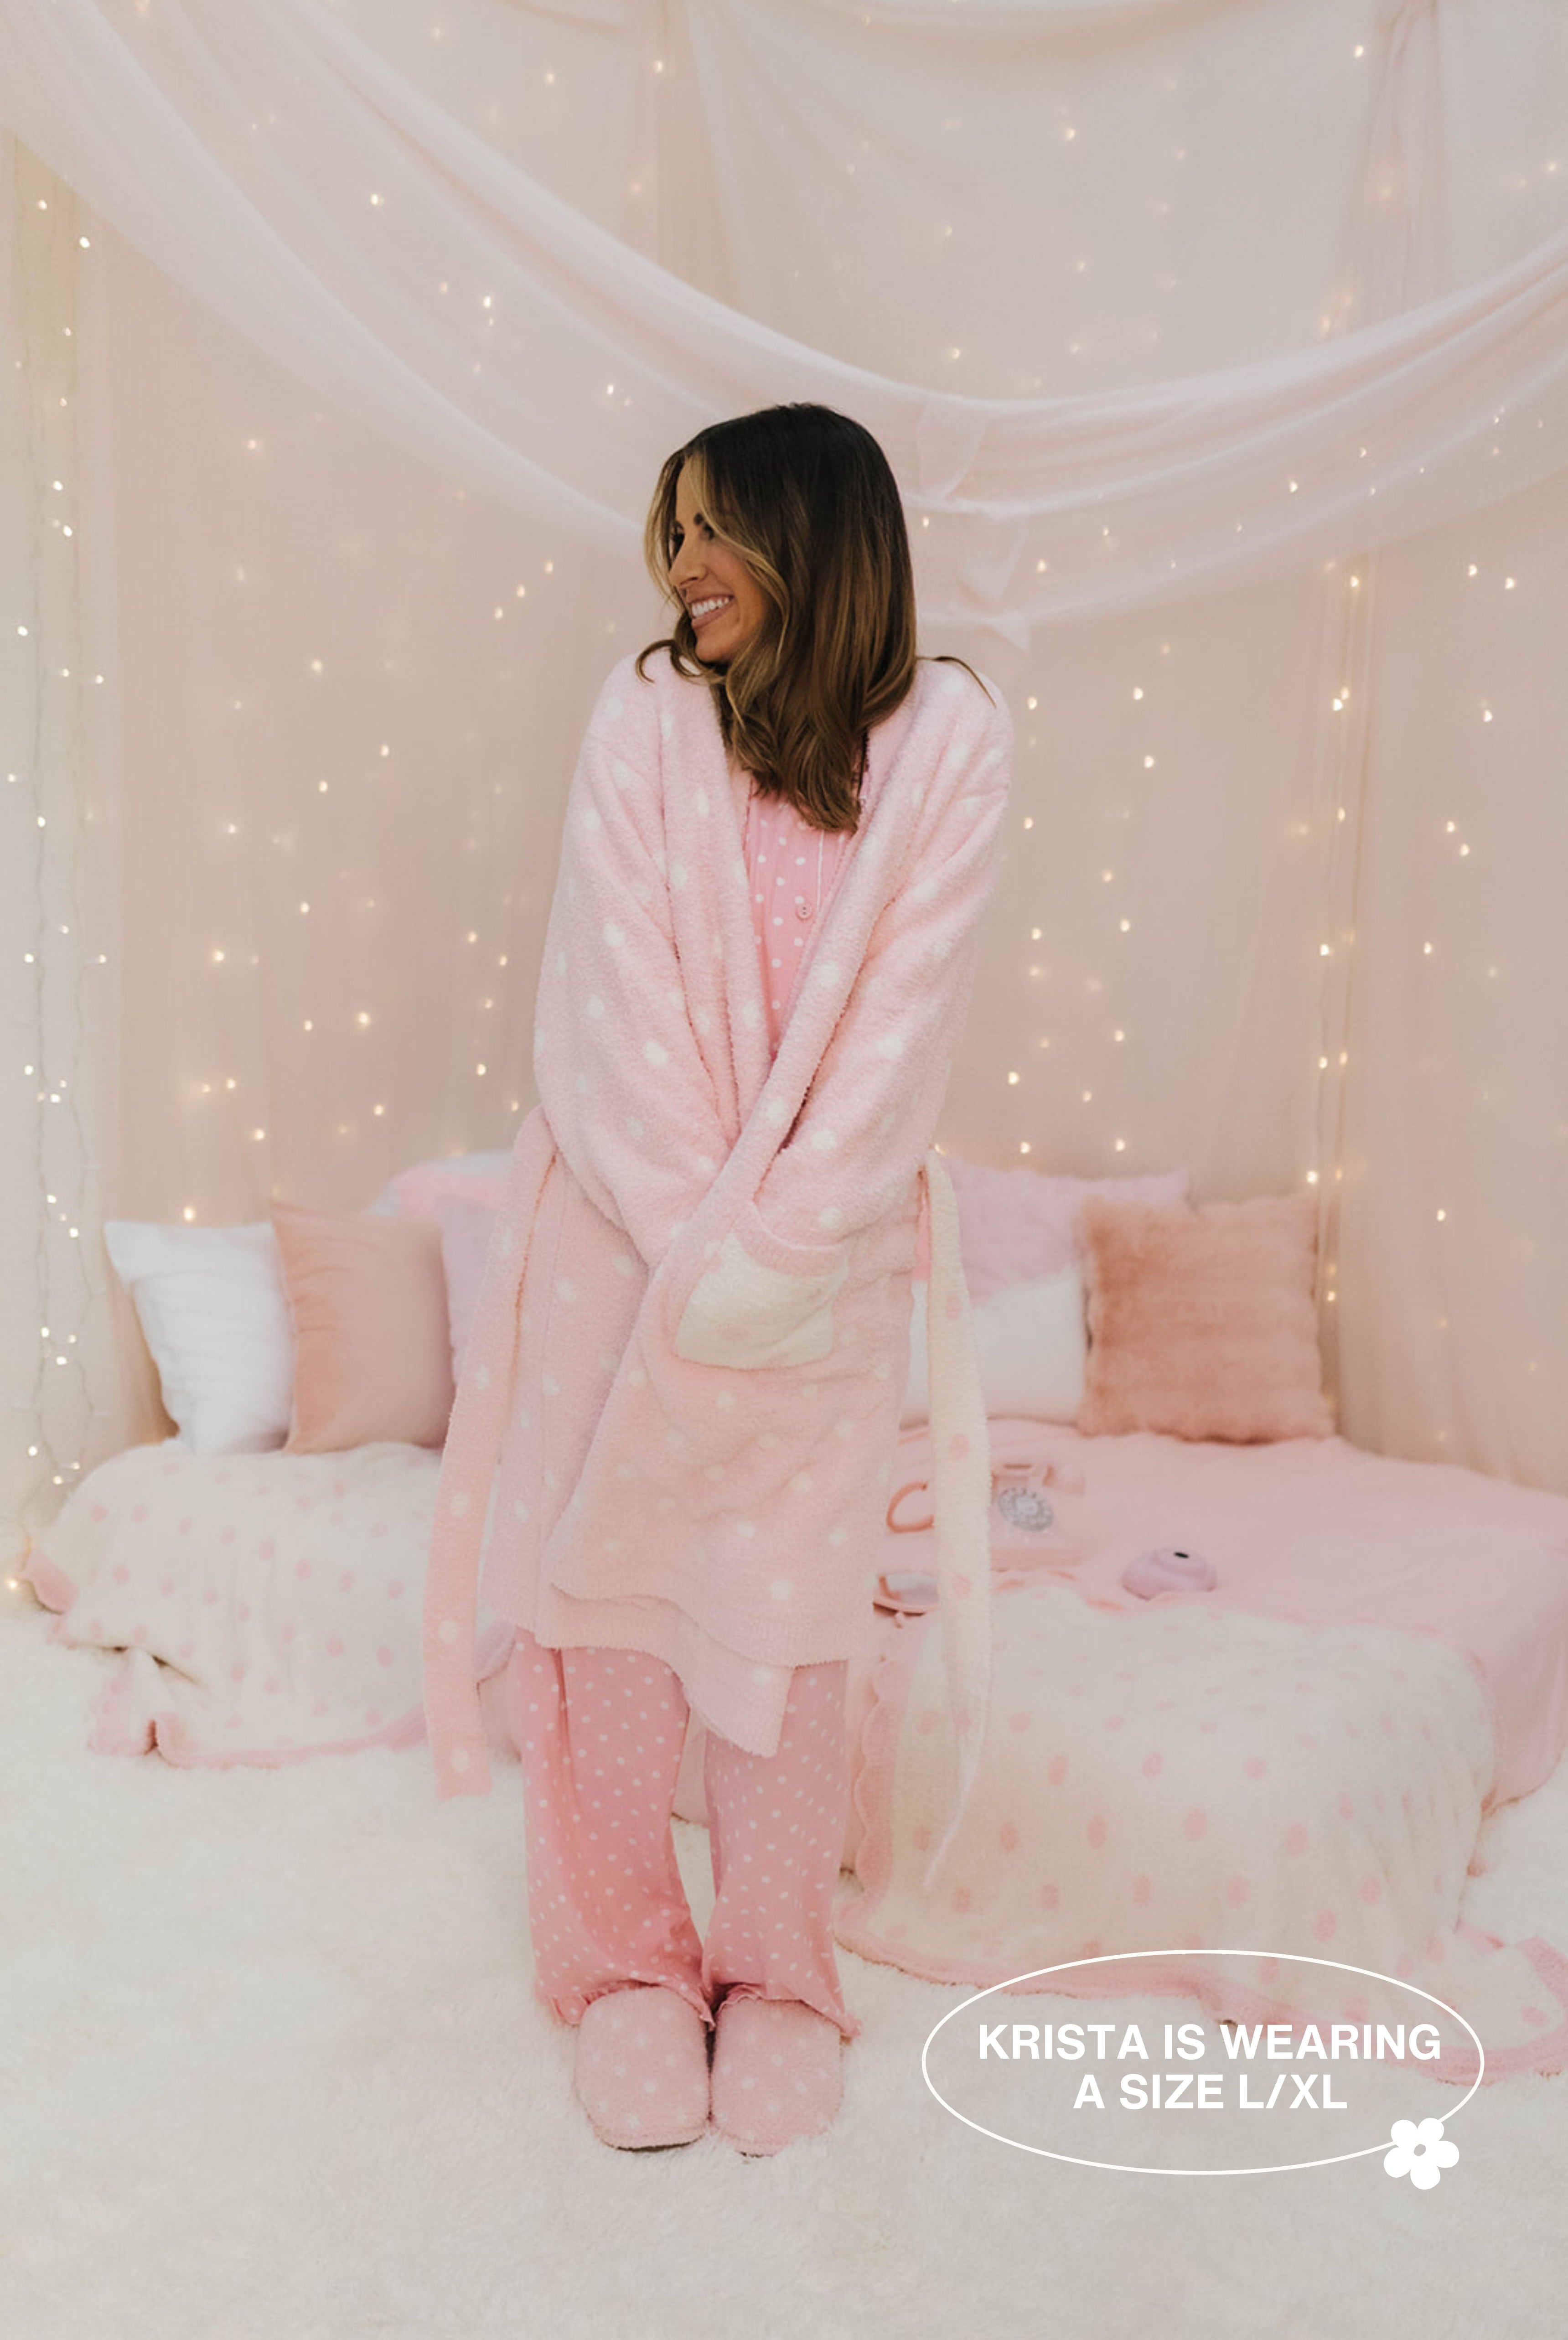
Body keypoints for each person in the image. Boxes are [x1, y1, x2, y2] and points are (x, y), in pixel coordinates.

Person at [423, 402, 1014, 2156]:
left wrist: (786, 1248)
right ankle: (619, 1969)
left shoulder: (950, 738)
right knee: (604, 1614)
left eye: (711, 532)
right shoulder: (647, 716)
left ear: (810, 535)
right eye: (667, 534)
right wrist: (702, 1245)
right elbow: (608, 994)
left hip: (822, 1273)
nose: (678, 571)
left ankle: (777, 1975)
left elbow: (907, 1021)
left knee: (785, 1622)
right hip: (625, 1244)